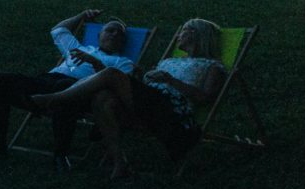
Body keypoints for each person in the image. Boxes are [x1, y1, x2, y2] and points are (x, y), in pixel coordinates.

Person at [30, 18, 225, 179]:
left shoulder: (213, 66)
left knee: (111, 73)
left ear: (196, 35)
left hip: (172, 108)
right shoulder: (170, 60)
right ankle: (119, 163)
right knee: (103, 98)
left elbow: (205, 97)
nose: (179, 34)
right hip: (151, 101)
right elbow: (151, 85)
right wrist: (143, 76)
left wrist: (170, 80)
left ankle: (54, 99)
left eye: (184, 30)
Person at [0, 9, 133, 172]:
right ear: (99, 35)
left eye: (120, 34)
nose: (114, 34)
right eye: (110, 30)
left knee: (64, 88)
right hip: (45, 81)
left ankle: (60, 154)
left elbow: (117, 87)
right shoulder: (80, 48)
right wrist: (82, 16)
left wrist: (96, 64)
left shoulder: (122, 62)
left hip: (78, 91)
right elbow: (58, 30)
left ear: (124, 42)